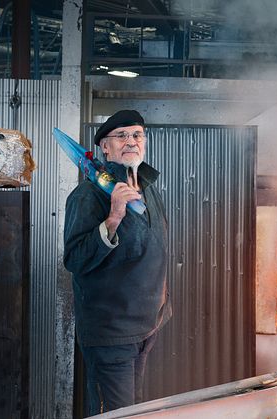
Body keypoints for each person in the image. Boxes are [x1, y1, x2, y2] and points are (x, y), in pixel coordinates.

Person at [63, 110, 171, 416]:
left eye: (137, 135)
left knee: (132, 411)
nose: (131, 141)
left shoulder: (148, 189)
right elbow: (75, 259)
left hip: (147, 327)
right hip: (111, 334)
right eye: (121, 136)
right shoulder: (88, 196)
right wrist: (113, 218)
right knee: (113, 413)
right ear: (104, 148)